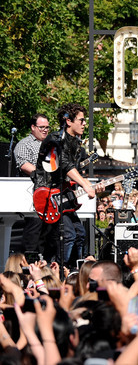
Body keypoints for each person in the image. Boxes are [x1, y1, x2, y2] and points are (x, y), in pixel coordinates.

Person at [33, 103, 104, 266]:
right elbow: (64, 164)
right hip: (49, 194)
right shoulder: (55, 139)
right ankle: (58, 271)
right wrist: (85, 185)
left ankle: (74, 272)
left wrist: (92, 185)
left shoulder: (77, 145)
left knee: (80, 234)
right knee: (69, 236)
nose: (84, 124)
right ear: (68, 121)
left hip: (64, 195)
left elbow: (75, 170)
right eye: (81, 120)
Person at [14, 113, 50, 254]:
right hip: (32, 195)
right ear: (33, 127)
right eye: (41, 127)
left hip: (51, 194)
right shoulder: (24, 144)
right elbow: (24, 164)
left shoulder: (52, 144)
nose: (45, 130)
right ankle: (27, 265)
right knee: (34, 229)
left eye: (47, 127)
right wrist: (47, 174)